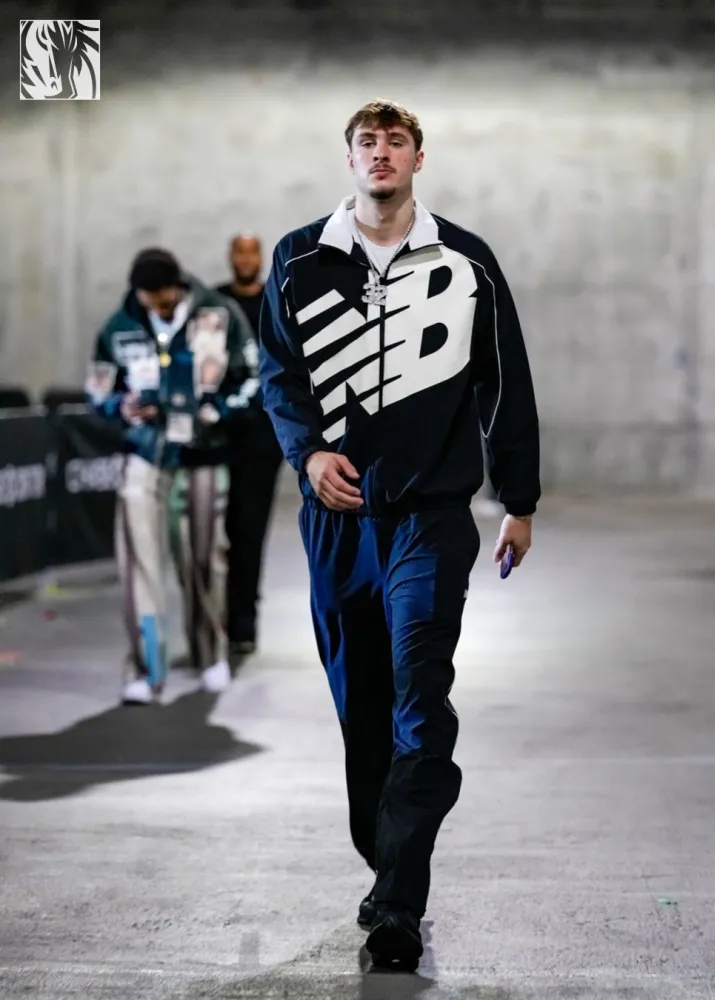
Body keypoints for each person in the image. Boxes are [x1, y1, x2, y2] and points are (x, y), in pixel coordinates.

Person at [259, 100, 540, 971]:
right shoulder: (299, 259)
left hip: (431, 517)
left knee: (420, 694)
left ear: (420, 157)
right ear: (349, 158)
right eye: (366, 142)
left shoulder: (465, 261)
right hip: (338, 525)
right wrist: (308, 455)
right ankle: (386, 859)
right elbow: (279, 376)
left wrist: (519, 499)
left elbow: (505, 381)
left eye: (395, 142)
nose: (380, 153)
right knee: (365, 711)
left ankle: (398, 907)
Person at [86, 248, 259, 705]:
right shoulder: (120, 326)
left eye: (163, 296)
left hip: (204, 454)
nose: (157, 305)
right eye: (149, 298)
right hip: (144, 455)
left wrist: (219, 410)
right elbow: (97, 388)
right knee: (139, 564)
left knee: (205, 561)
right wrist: (120, 407)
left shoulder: (219, 315)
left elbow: (254, 377)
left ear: (177, 286)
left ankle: (211, 653)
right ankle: (146, 670)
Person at [215, 234, 284, 654]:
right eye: (238, 251)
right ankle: (212, 618)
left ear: (259, 258)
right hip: (216, 436)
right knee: (212, 534)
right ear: (231, 257)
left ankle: (243, 622)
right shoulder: (214, 303)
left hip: (262, 436)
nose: (244, 259)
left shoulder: (276, 302)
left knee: (249, 530)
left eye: (251, 252)